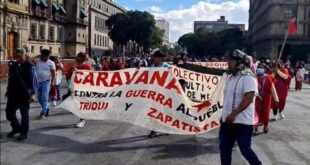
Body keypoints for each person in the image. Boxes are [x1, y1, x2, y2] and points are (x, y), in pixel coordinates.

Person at [220, 49, 262, 165]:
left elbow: (248, 98)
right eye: (228, 60)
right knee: (224, 150)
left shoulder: (248, 77)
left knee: (245, 150)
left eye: (232, 60)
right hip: (226, 121)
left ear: (240, 62)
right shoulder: (231, 77)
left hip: (241, 122)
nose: (228, 62)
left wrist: (234, 114)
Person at [5, 48, 36, 140]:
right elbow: (10, 79)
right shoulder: (13, 66)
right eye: (17, 55)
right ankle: (16, 128)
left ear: (24, 55)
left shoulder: (28, 66)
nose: (18, 57)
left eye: (20, 55)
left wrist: (32, 94)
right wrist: (7, 90)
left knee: (24, 114)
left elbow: (31, 81)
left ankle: (24, 132)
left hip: (24, 94)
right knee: (9, 113)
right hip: (13, 93)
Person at [148, 50, 169, 138]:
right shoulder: (152, 67)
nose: (153, 58)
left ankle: (165, 128)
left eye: (154, 57)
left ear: (159, 58)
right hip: (154, 93)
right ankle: (154, 130)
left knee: (164, 112)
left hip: (164, 93)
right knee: (154, 111)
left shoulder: (167, 67)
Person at [254, 62, 279, 134]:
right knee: (256, 113)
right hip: (256, 100)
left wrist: (276, 99)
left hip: (266, 100)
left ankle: (265, 126)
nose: (260, 69)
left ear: (264, 69)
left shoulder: (269, 78)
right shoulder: (254, 77)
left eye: (262, 68)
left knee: (266, 113)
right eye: (259, 67)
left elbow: (273, 89)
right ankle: (256, 127)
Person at [33, 49, 56, 119]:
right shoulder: (37, 61)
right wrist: (36, 56)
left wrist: (53, 81)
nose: (47, 58)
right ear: (42, 55)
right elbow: (29, 60)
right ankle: (46, 107)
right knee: (39, 98)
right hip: (37, 82)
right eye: (46, 56)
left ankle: (43, 112)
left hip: (46, 82)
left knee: (44, 97)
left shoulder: (51, 63)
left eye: (48, 56)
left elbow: (53, 73)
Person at [72, 52, 91, 128]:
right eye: (77, 57)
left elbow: (87, 76)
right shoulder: (75, 66)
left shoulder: (86, 66)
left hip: (83, 88)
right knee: (78, 104)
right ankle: (82, 118)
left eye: (79, 57)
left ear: (82, 59)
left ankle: (82, 120)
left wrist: (76, 71)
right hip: (76, 87)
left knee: (81, 104)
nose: (77, 58)